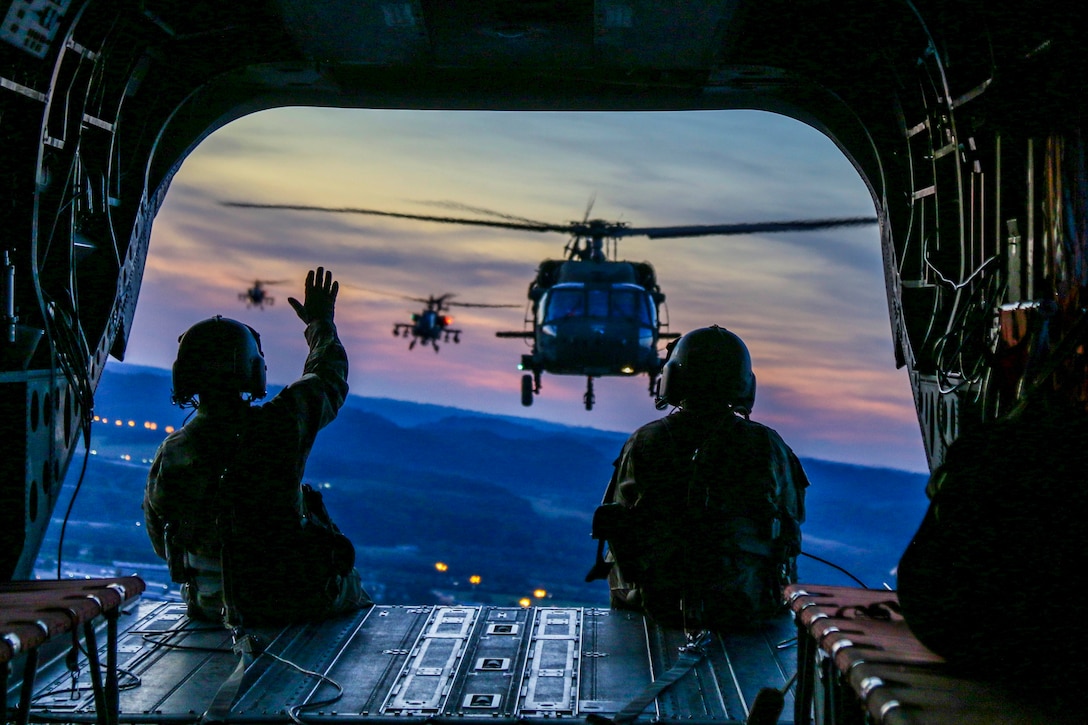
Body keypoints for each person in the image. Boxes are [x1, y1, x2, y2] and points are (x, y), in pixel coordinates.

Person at [143, 267, 371, 626]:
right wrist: (320, 324)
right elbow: (327, 378)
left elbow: (162, 539)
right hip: (290, 600)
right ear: (253, 368)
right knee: (352, 586)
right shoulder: (280, 425)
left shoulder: (171, 452)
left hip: (210, 606)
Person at [589, 325, 808, 631]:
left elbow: (620, 521)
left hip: (657, 605)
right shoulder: (767, 444)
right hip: (748, 604)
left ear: (674, 378)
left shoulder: (646, 440)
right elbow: (792, 517)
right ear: (744, 382)